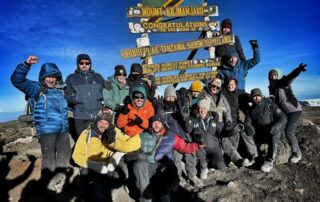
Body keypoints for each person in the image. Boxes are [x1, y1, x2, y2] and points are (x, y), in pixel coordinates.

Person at [11, 55, 71, 191]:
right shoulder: (36, 88)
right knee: (49, 158)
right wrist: (26, 65)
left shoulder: (60, 91)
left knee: (65, 154)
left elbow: (69, 106)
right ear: (43, 77)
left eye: (54, 76)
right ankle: (49, 186)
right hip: (47, 130)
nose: (51, 79)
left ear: (57, 77)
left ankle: (60, 178)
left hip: (63, 129)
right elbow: (17, 81)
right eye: (48, 76)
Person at [134, 114, 204, 202]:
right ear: (150, 125)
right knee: (139, 164)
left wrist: (197, 144)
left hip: (164, 167)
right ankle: (146, 198)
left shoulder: (171, 136)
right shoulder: (143, 136)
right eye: (154, 123)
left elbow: (185, 147)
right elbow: (133, 148)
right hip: (150, 167)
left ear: (162, 124)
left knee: (170, 169)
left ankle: (164, 194)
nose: (156, 125)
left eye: (158, 122)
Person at [268, 63, 307, 163]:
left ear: (279, 75)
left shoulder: (283, 82)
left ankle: (297, 154)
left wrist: (298, 70)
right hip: (285, 112)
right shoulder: (272, 87)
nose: (273, 77)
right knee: (281, 128)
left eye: (275, 75)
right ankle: (286, 148)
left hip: (294, 110)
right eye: (271, 75)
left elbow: (291, 76)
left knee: (289, 132)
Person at [245, 88, 287, 172]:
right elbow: (247, 122)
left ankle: (269, 160)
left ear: (261, 96)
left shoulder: (270, 105)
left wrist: (278, 125)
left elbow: (283, 117)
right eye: (254, 96)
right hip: (261, 133)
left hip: (272, 132)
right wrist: (248, 126)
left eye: (258, 96)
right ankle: (257, 158)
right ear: (252, 98)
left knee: (275, 132)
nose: (256, 98)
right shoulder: (251, 110)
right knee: (246, 133)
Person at [64, 54, 104, 140]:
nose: (84, 65)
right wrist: (77, 100)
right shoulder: (71, 78)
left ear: (90, 64)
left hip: (98, 115)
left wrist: (101, 100)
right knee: (82, 142)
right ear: (77, 64)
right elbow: (67, 95)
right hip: (80, 117)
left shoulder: (98, 77)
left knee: (98, 141)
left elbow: (105, 93)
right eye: (81, 63)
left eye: (87, 63)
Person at [184, 97, 225, 181]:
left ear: (208, 109)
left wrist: (228, 130)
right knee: (200, 154)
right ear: (198, 109)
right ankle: (203, 168)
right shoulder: (194, 119)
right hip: (201, 146)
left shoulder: (213, 119)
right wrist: (186, 118)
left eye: (205, 108)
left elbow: (221, 131)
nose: (202, 111)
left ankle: (211, 164)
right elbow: (188, 129)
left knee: (221, 166)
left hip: (213, 146)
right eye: (201, 108)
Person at [222, 78, 258, 167]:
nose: (230, 86)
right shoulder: (223, 92)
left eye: (232, 84)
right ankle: (233, 159)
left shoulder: (239, 93)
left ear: (236, 85)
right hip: (226, 121)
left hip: (236, 120)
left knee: (246, 133)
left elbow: (251, 96)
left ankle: (254, 156)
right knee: (234, 134)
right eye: (229, 84)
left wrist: (259, 98)